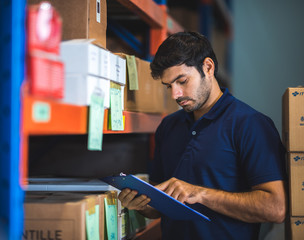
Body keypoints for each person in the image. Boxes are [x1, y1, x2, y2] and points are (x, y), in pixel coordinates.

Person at [118, 31, 287, 240]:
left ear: (208, 67)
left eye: (182, 81)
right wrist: (141, 204)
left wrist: (200, 194)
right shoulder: (168, 127)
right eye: (169, 86)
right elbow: (160, 207)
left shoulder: (250, 124)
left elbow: (275, 208)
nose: (175, 95)